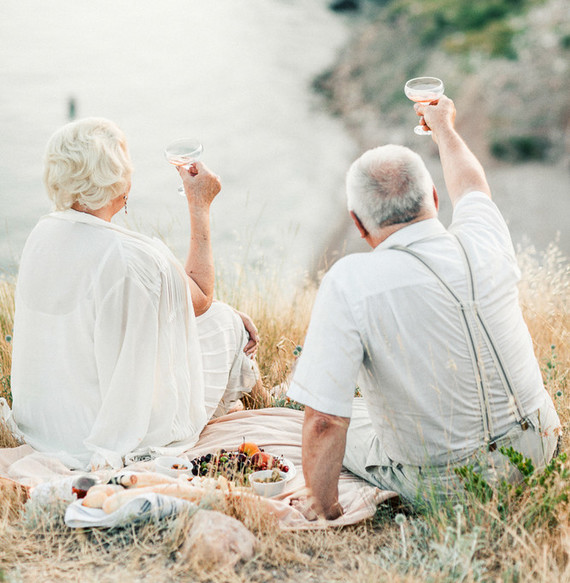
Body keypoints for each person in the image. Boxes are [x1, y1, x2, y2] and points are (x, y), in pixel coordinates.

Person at [288, 95, 561, 518]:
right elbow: (472, 185)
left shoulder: (350, 281)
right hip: (541, 442)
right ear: (433, 196)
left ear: (358, 225)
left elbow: (324, 422)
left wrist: (323, 507)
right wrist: (444, 128)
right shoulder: (483, 234)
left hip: (450, 485)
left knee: (306, 421)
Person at [10, 117, 265, 471]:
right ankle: (266, 405)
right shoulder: (137, 258)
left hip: (47, 426)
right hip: (104, 432)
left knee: (219, 316)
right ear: (116, 179)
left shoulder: (42, 234)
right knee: (224, 320)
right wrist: (199, 205)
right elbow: (202, 296)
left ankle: (254, 401)